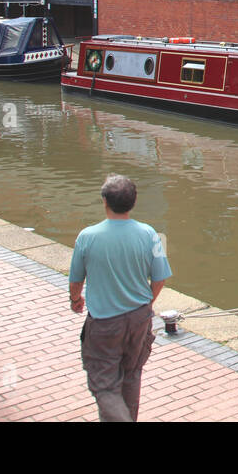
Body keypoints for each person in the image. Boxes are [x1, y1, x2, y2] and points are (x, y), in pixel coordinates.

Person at [69, 175, 171, 422]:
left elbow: (76, 280)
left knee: (104, 383)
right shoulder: (149, 234)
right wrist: (148, 302)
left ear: (104, 201)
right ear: (133, 203)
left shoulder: (87, 237)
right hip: (139, 319)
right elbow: (160, 278)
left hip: (105, 322)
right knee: (132, 374)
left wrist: (75, 300)